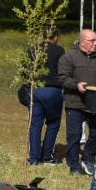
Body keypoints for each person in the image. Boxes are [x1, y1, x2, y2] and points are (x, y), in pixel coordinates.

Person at [58, 29, 96, 175]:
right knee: (74, 136)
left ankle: (88, 159)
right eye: (93, 40)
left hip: (95, 103)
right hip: (75, 102)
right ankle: (74, 166)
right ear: (82, 42)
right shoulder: (69, 57)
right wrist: (76, 85)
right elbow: (63, 78)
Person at [27, 28, 66, 165]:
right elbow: (62, 71)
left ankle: (34, 158)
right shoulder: (59, 50)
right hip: (53, 90)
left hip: (36, 89)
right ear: (55, 36)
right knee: (53, 123)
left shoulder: (33, 50)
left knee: (35, 124)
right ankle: (48, 156)